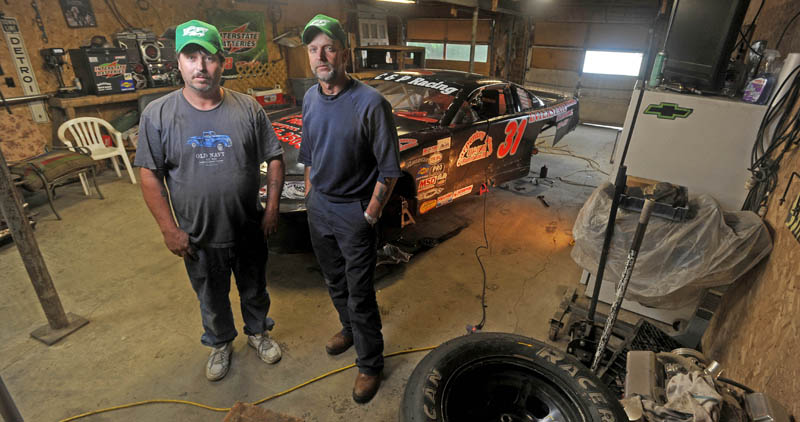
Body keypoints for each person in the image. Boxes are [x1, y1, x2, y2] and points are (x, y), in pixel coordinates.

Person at [135, 19, 285, 382]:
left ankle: (258, 332)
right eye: (191, 56)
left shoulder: (248, 108)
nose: (201, 66)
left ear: (224, 62)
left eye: (210, 57)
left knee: (254, 287)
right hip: (198, 234)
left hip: (247, 226)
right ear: (178, 61)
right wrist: (169, 229)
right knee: (210, 295)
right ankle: (220, 342)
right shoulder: (157, 115)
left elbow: (275, 157)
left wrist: (272, 208)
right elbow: (149, 174)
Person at [299, 14, 402, 404]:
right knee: (334, 280)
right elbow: (309, 154)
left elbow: (389, 170)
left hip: (354, 213)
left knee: (360, 293)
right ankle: (347, 329)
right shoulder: (310, 97)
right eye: (313, 49)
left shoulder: (371, 103)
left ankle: (370, 364)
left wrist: (369, 216)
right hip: (320, 207)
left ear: (344, 52)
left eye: (328, 47)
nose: (321, 56)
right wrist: (312, 196)